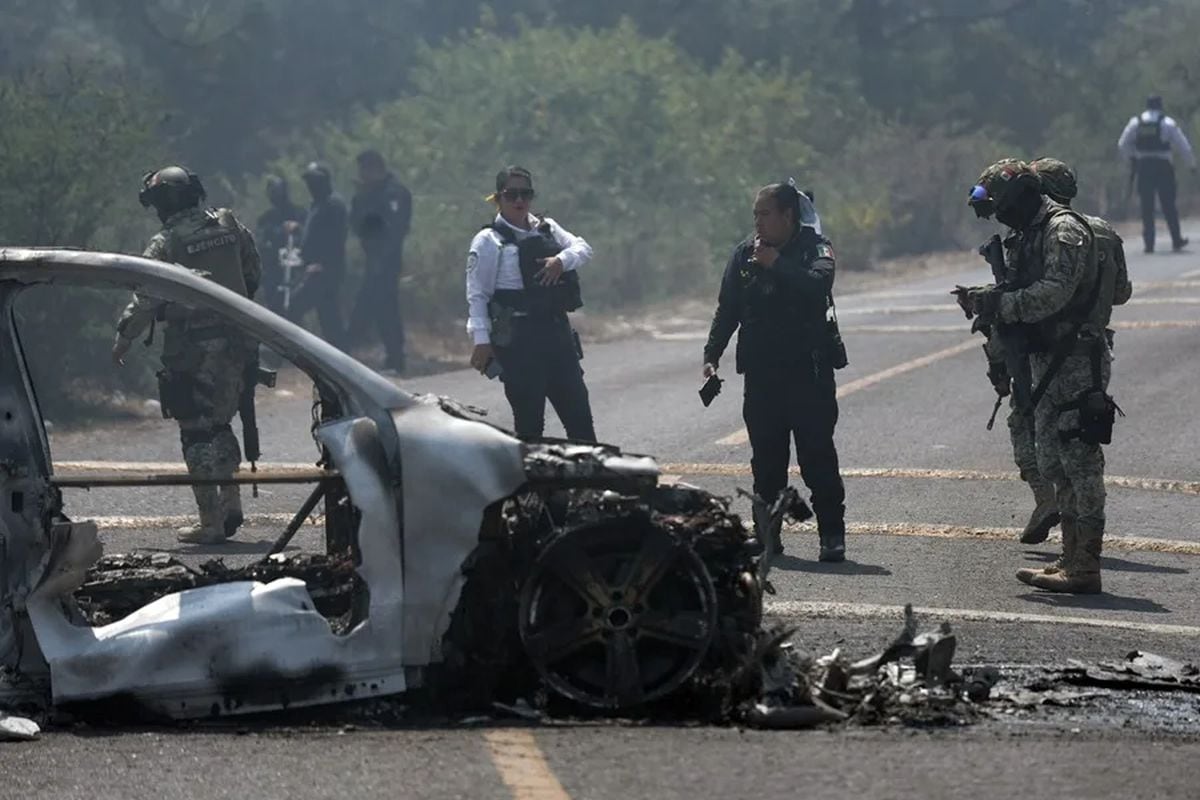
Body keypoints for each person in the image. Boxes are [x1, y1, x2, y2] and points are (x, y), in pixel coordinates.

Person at [966, 160, 1126, 593]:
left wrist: (1001, 305)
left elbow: (1056, 293)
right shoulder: (1032, 233)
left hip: (1075, 358)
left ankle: (1086, 566)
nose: (998, 215)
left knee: (1081, 464)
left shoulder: (1064, 230)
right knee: (1056, 463)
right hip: (1045, 358)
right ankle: (1071, 557)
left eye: (1001, 205)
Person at [111, 166, 261, 545]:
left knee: (195, 430)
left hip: (192, 348)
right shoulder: (230, 225)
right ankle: (231, 505)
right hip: (238, 339)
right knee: (222, 422)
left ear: (162, 203)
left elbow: (146, 297)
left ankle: (210, 522)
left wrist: (124, 336)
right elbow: (253, 271)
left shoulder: (165, 243)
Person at [703, 182, 847, 562]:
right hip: (762, 378)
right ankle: (768, 536)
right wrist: (711, 354)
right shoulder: (743, 255)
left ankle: (832, 535)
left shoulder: (816, 248)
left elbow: (818, 286)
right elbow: (727, 308)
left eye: (765, 214)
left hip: (808, 376)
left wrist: (777, 265)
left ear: (787, 216)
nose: (758, 222)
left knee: (817, 458)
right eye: (755, 214)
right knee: (766, 463)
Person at [465, 165, 597, 441]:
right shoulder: (488, 241)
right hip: (519, 343)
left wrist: (561, 261)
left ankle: (591, 483)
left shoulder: (547, 228)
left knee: (580, 422)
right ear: (498, 198)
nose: (519, 201)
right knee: (529, 428)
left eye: (525, 194)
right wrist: (481, 340)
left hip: (557, 336)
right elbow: (477, 294)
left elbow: (583, 248)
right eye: (511, 194)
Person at [349, 149, 412, 373]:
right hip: (372, 261)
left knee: (386, 309)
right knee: (374, 309)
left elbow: (396, 230)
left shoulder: (394, 192)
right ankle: (386, 357)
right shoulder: (368, 194)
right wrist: (362, 197)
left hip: (387, 262)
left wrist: (383, 260)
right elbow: (358, 225)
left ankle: (396, 359)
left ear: (374, 168)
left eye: (364, 169)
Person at [1117, 95, 1196, 253]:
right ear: (1160, 106)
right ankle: (1176, 239)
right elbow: (1183, 146)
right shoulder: (1167, 123)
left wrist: (1132, 158)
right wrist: (1192, 165)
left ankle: (1149, 243)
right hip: (1163, 167)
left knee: (1147, 206)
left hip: (1144, 167)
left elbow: (1122, 144)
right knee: (1168, 204)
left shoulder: (1136, 123)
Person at [289, 161, 347, 347]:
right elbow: (314, 233)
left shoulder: (333, 204)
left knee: (294, 307)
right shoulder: (317, 204)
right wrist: (299, 229)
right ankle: (341, 359)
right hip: (315, 268)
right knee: (329, 318)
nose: (311, 185)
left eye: (315, 181)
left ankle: (290, 351)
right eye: (309, 181)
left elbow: (337, 238)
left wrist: (322, 263)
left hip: (324, 270)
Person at [254, 174, 305, 316]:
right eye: (270, 191)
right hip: (272, 270)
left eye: (276, 190)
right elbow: (260, 241)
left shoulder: (299, 213)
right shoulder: (266, 218)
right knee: (274, 307)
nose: (273, 194)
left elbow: (307, 237)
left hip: (294, 270)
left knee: (293, 309)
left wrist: (296, 228)